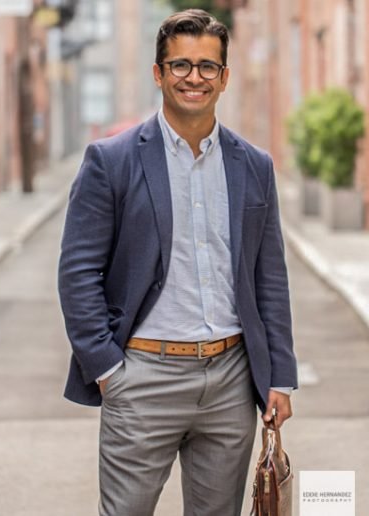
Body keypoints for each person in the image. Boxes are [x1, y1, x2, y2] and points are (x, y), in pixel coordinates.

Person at [58, 8, 298, 516]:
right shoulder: (112, 160)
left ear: (224, 77)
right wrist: (106, 369)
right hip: (143, 376)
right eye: (181, 65)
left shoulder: (254, 166)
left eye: (208, 66)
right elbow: (78, 273)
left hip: (232, 379)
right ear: (159, 73)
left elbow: (269, 277)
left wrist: (278, 376)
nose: (195, 77)